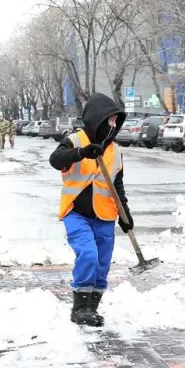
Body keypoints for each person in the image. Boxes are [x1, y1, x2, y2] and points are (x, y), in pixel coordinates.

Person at [49, 94, 132, 327]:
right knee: (88, 255)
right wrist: (82, 153)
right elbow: (55, 160)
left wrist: (125, 214)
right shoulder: (75, 140)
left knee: (102, 263)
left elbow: (117, 185)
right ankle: (79, 307)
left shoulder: (115, 151)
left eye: (117, 121)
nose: (113, 126)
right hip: (76, 212)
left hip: (105, 215)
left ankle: (91, 307)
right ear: (98, 119)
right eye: (110, 120)